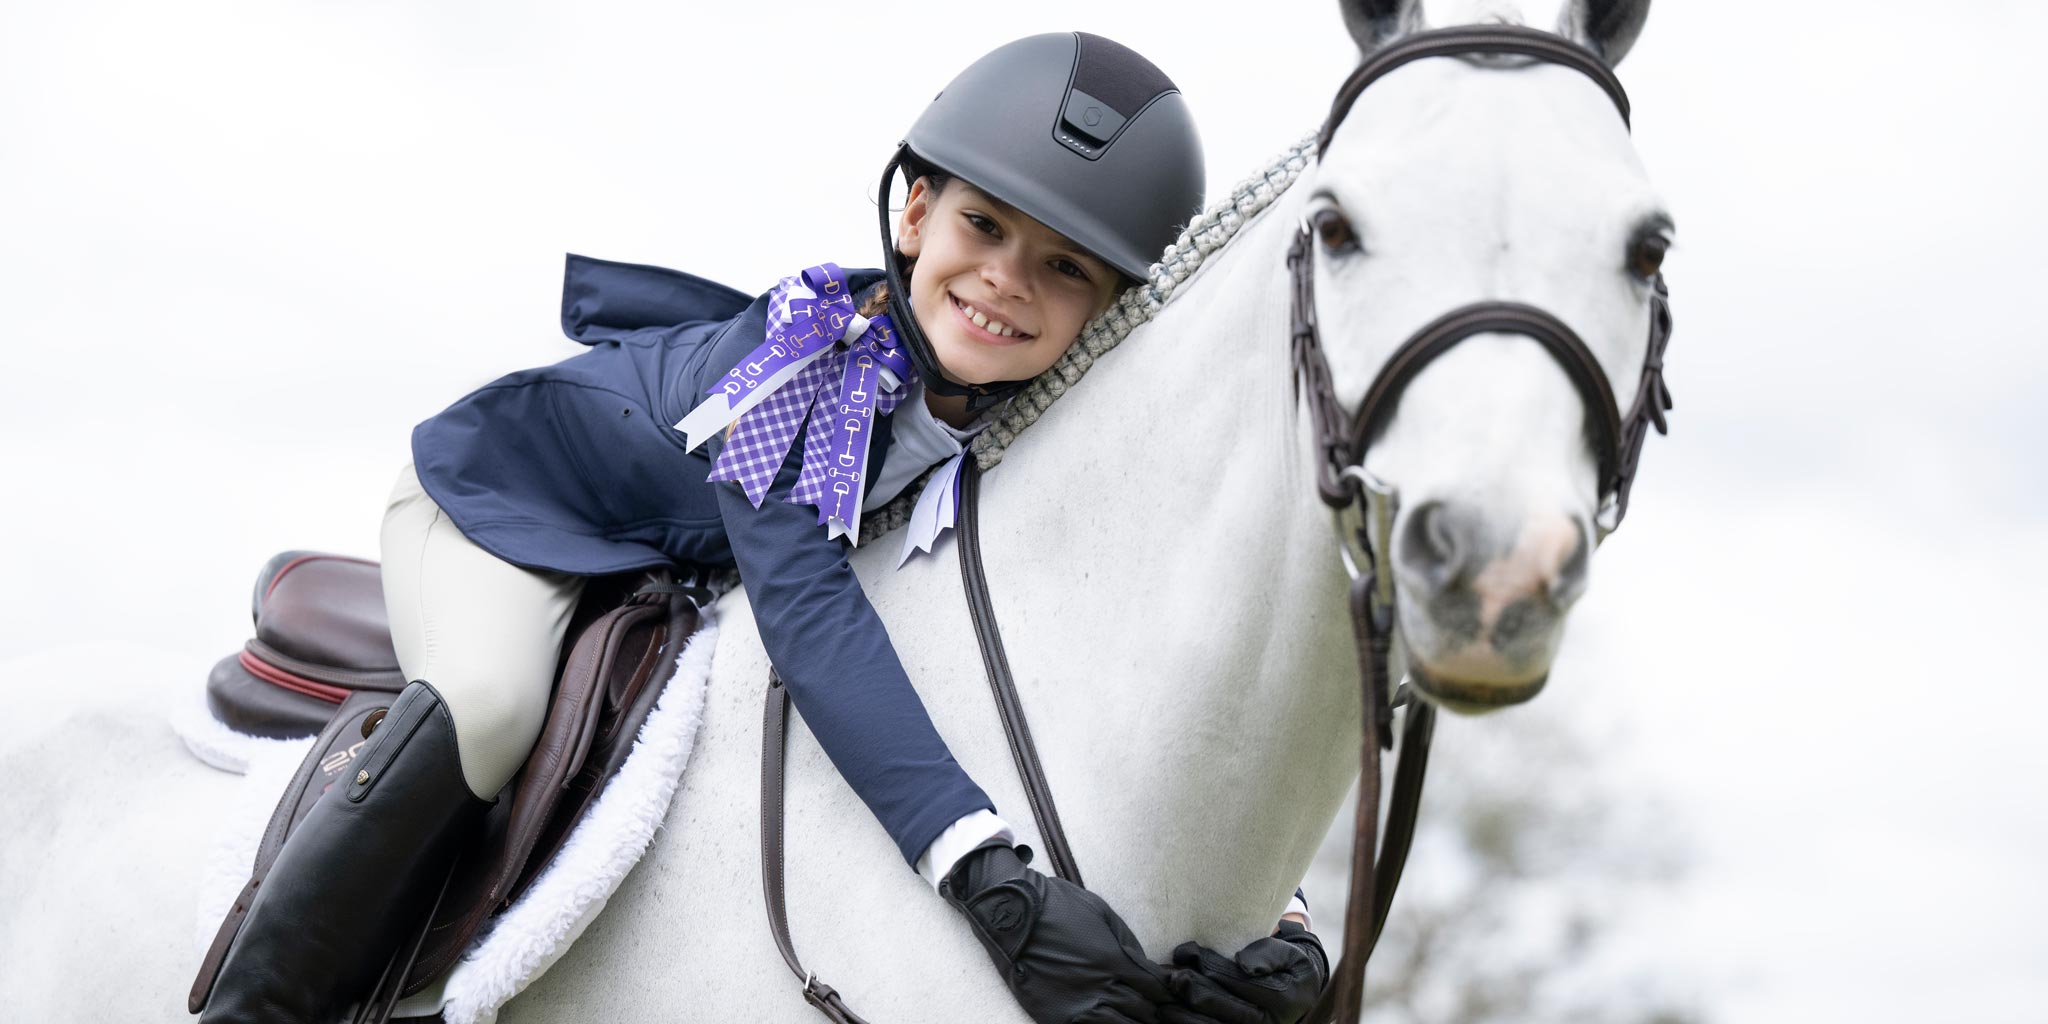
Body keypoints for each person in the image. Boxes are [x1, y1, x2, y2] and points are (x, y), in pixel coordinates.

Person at [196, 32, 1328, 1024]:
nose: (1003, 281)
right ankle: (267, 1003)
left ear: (1110, 305)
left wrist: (1277, 910)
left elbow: (1088, 663)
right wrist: (986, 878)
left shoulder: (1025, 426)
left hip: (667, 557)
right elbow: (812, 623)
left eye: (1062, 266)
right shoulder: (803, 374)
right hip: (504, 510)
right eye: (981, 224)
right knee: (491, 706)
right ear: (917, 211)